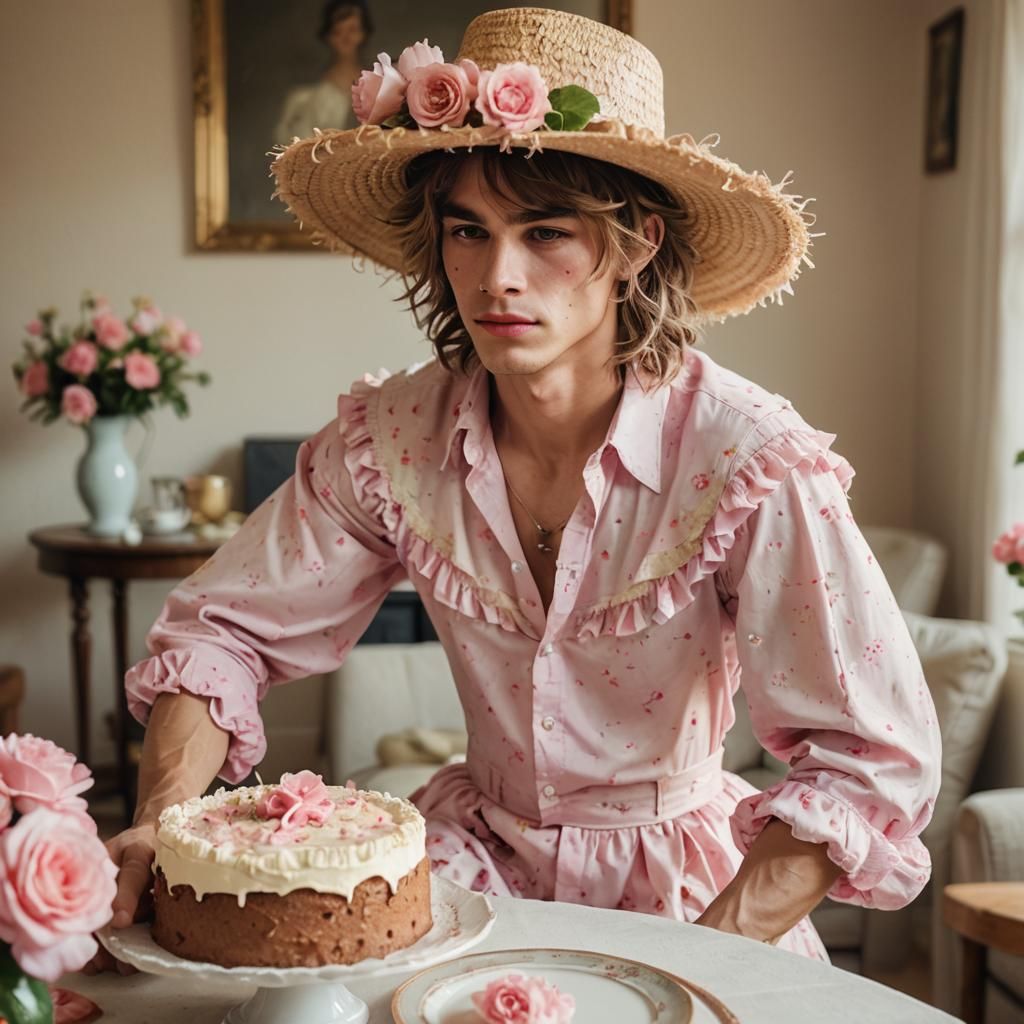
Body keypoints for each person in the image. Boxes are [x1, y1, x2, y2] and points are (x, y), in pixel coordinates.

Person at [91, 8, 940, 972]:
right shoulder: (389, 442)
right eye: (469, 231)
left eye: (546, 233)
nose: (497, 276)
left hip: (699, 903)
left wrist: (702, 964)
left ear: (636, 246)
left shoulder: (748, 459)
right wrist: (159, 820)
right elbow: (221, 633)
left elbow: (869, 756)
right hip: (471, 874)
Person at [272, 0, 372, 145]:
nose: (346, 38)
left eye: (352, 30)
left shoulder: (376, 87)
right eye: (337, 32)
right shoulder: (306, 97)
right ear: (328, 36)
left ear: (363, 33)